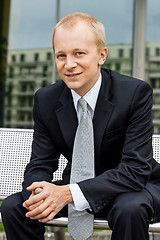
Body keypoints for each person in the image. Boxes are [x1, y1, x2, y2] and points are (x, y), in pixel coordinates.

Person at [1, 12, 160, 240]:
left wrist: (67, 193)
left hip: (135, 188)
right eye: (61, 55)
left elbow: (135, 170)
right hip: (76, 186)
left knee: (129, 208)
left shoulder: (134, 93)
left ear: (102, 55)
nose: (69, 64)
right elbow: (40, 163)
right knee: (14, 207)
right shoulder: (46, 100)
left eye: (79, 54)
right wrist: (38, 192)